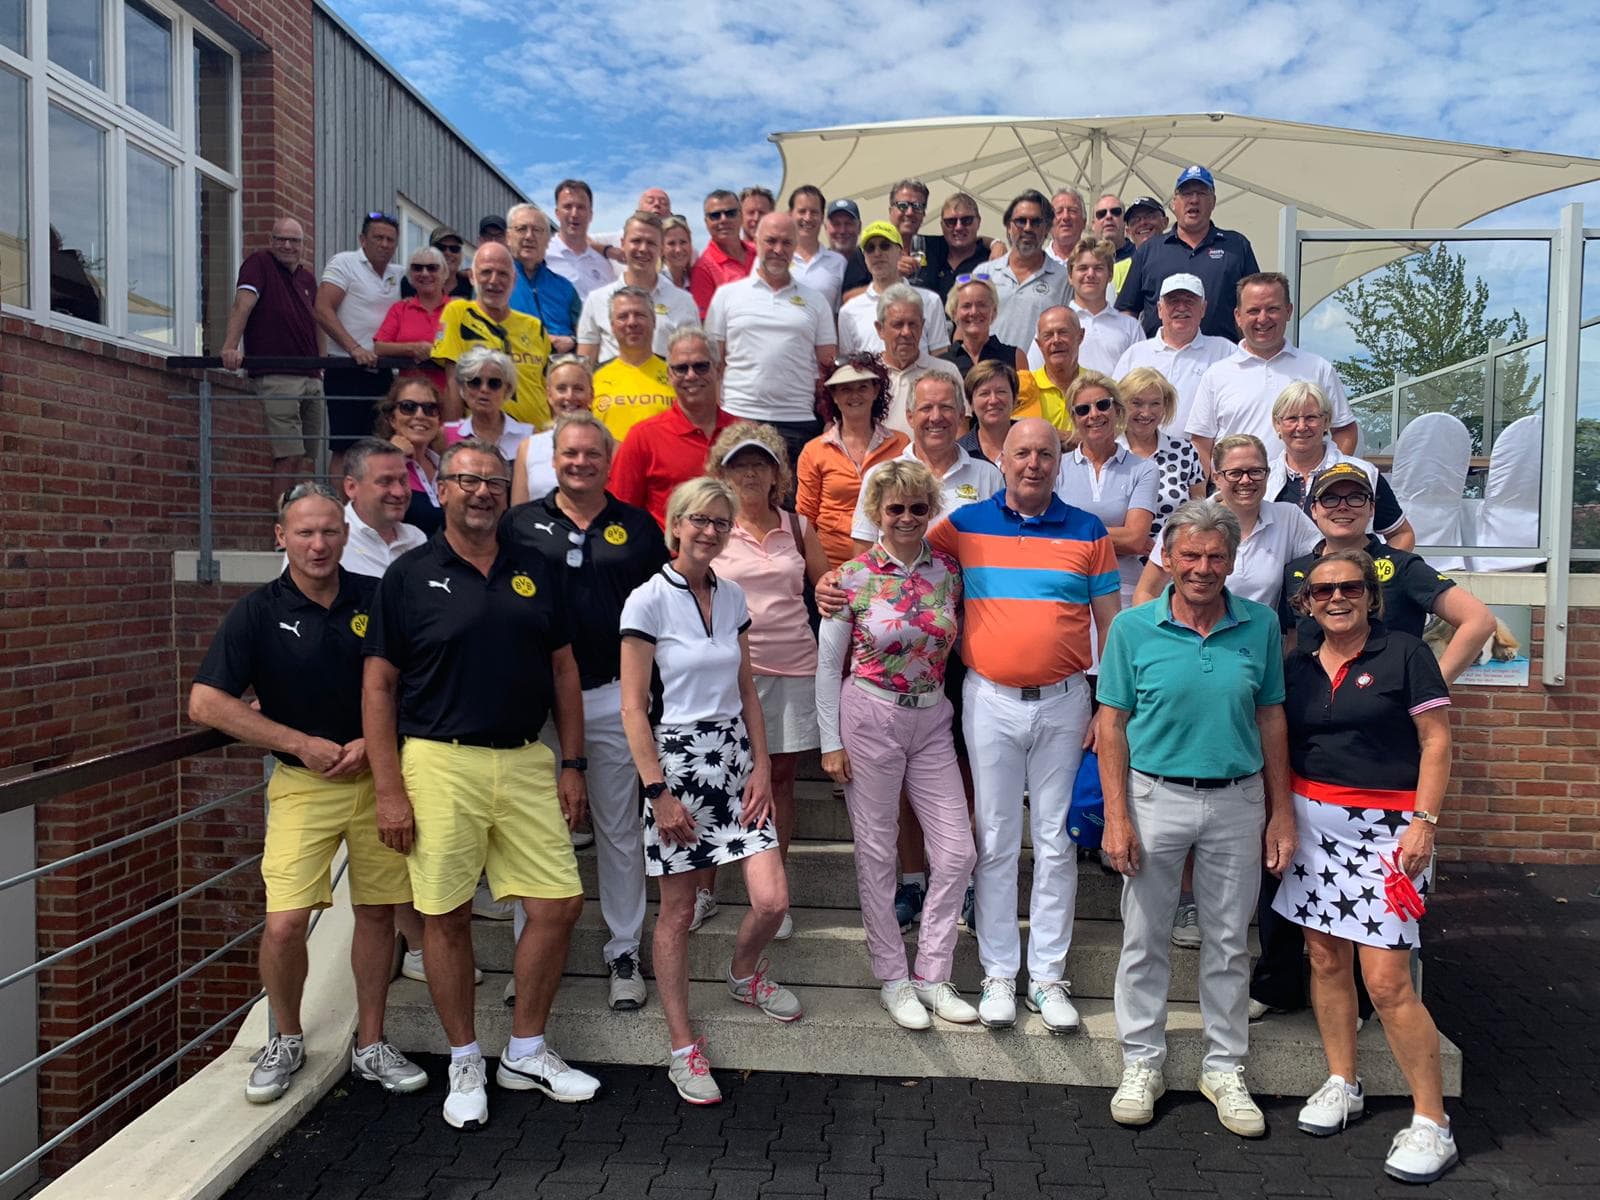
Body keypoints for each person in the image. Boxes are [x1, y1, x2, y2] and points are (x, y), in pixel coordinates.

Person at [364, 439, 598, 1128]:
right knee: (445, 915)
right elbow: (378, 686)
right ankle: (464, 1057)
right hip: (438, 761)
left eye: (494, 481)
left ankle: (524, 1048)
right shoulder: (407, 576)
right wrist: (388, 788)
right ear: (440, 488)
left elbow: (564, 673)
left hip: (526, 759)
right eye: (466, 480)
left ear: (507, 492)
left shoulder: (537, 570)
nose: (481, 492)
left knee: (558, 904)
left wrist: (573, 763)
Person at [189, 482, 427, 1104]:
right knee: (286, 922)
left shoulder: (379, 598)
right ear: (281, 537)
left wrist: (373, 743)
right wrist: (298, 742)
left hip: (380, 779)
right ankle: (286, 1037)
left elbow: (418, 684)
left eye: (329, 531)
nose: (318, 544)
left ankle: (371, 1043)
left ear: (345, 535)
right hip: (302, 785)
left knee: (377, 914)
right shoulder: (257, 611)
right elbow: (206, 703)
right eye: (304, 532)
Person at [1098, 500, 1295, 1138]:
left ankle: (1224, 1066)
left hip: (1238, 800)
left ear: (1233, 561)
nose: (1203, 568)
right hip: (1155, 796)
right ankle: (1141, 1061)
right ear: (1170, 559)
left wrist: (1280, 811)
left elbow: (1271, 717)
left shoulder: (1261, 625)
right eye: (1190, 555)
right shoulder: (1133, 628)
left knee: (1230, 942)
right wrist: (1116, 817)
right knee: (1144, 939)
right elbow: (1112, 726)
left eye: (1215, 556)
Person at [1273, 550, 1459, 1185]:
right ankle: (1341, 1080)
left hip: (1389, 834)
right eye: (1322, 591)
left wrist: (1425, 823)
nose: (1336, 598)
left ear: (1370, 596)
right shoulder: (1295, 663)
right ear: (1306, 603)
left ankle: (1432, 1120)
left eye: (1349, 587)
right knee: (1324, 960)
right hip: (1311, 826)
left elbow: (1436, 742)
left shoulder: (1406, 653)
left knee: (1387, 982)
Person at [930, 420, 1121, 1033]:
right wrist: (838, 582)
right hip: (989, 698)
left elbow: (1112, 627)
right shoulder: (963, 526)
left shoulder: (1089, 531)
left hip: (1067, 701)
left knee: (1057, 840)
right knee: (994, 838)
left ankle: (1047, 978)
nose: (1033, 463)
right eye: (1021, 453)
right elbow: (901, 559)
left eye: (1044, 453)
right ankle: (997, 974)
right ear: (1001, 459)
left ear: (1058, 461)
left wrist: (1106, 709)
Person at [619, 477, 801, 1106]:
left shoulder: (733, 597)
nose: (710, 530)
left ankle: (744, 974)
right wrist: (657, 791)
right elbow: (633, 710)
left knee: (772, 900)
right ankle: (681, 1046)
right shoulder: (645, 601)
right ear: (675, 525)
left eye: (721, 522)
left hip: (733, 756)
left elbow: (748, 690)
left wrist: (760, 766)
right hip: (675, 764)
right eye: (699, 519)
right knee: (675, 913)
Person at [503, 413, 669, 1011]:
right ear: (555, 458)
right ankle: (529, 953)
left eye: (591, 455)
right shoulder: (517, 525)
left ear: (606, 459)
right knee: (535, 834)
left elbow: (662, 613)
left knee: (619, 831)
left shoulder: (638, 526)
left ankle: (623, 948)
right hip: (532, 705)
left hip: (611, 698)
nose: (580, 463)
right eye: (569, 454)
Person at [816, 460, 979, 1030]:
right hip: (870, 716)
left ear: (930, 511)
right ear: (877, 513)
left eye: (917, 508)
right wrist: (829, 741)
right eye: (895, 509)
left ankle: (933, 973)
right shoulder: (850, 578)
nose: (907, 518)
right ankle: (893, 976)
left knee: (958, 851)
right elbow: (826, 664)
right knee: (878, 853)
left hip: (932, 717)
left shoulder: (949, 573)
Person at [705, 423, 829, 937]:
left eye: (760, 464)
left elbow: (827, 588)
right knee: (721, 782)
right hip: (727, 676)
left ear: (777, 472)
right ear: (723, 473)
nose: (750, 473)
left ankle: (771, 896)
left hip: (794, 668)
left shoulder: (798, 526)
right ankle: (705, 892)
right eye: (739, 464)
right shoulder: (712, 526)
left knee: (778, 781)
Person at [1281, 465, 1496, 682]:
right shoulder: (1296, 571)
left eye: (1355, 498)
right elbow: (1294, 642)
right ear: (1314, 510)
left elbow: (1479, 620)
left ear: (1372, 508)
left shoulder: (1402, 566)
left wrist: (1431, 688)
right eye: (1330, 499)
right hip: (1312, 706)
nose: (1343, 507)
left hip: (1386, 707)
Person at [705, 213, 837, 468]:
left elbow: (827, 367)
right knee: (735, 505)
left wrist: (830, 418)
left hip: (797, 421)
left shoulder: (816, 300)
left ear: (796, 245)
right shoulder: (726, 296)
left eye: (787, 243)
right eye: (771, 241)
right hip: (738, 417)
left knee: (791, 506)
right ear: (755, 240)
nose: (778, 249)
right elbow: (713, 363)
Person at [1187, 273, 1359, 464]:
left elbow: (1344, 430)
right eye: (1253, 311)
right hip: (1238, 489)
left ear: (1288, 311)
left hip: (1303, 490)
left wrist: (1329, 476)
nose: (1263, 318)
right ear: (1238, 316)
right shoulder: (1216, 375)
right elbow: (1202, 443)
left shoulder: (1318, 369)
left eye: (1272, 309)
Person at [1136, 434, 1322, 610]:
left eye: (1255, 471)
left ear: (1268, 474)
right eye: (1234, 473)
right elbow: (1147, 591)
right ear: (1216, 478)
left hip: (1257, 636)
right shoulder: (1186, 521)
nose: (1246, 480)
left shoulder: (1288, 517)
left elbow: (1326, 557)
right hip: (1188, 636)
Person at [221, 217, 325, 496]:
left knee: (307, 459)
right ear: (271, 240)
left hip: (311, 376)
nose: (287, 245)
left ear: (303, 245)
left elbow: (318, 322)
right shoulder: (259, 263)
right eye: (281, 239)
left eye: (294, 240)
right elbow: (242, 304)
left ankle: (303, 525)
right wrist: (231, 347)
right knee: (287, 455)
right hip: (278, 377)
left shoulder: (307, 278)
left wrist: (323, 365)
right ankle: (282, 532)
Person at [853, 371, 1003, 549]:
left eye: (946, 407)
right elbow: (862, 553)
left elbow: (1000, 546)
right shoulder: (879, 476)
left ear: (961, 415)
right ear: (910, 417)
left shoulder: (989, 475)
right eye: (926, 408)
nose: (936, 417)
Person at [609, 325, 738, 526]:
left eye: (701, 366)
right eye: (681, 368)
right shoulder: (642, 438)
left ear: (718, 369)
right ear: (669, 375)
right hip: (667, 555)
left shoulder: (743, 432)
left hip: (739, 553)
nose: (691, 375)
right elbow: (619, 511)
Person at [1116, 166, 1260, 341]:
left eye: (1201, 193)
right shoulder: (1149, 250)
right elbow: (1126, 310)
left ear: (1213, 201)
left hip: (1222, 360)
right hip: (1160, 362)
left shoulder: (1236, 246)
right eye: (1186, 194)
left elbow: (1255, 306)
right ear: (1174, 204)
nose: (1193, 200)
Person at [1052, 371, 1158, 603]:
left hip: (1124, 589)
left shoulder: (1144, 469)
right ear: (1073, 417)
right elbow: (1047, 533)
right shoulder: (1056, 467)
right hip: (1068, 587)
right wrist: (1115, 536)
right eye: (1083, 409)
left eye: (1102, 405)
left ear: (1117, 410)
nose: (1094, 415)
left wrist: (1069, 530)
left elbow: (1135, 539)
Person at [1268, 381, 1413, 548]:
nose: (1301, 427)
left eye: (1311, 417)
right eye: (1291, 418)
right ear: (1277, 424)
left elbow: (1402, 534)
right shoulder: (1262, 478)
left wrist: (1373, 572)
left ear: (1327, 421)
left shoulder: (1364, 473)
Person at [796, 357, 909, 568]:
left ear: (876, 391)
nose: (854, 395)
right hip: (830, 564)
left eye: (863, 387)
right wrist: (820, 574)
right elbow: (806, 519)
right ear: (834, 396)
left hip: (890, 562)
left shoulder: (901, 444)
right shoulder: (814, 451)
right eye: (845, 389)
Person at [432, 242, 553, 428]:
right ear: (472, 277)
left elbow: (547, 388)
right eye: (486, 272)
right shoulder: (458, 313)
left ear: (514, 279)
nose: (494, 280)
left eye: (503, 273)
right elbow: (452, 384)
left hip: (535, 438)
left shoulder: (534, 326)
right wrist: (452, 438)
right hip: (485, 440)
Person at [316, 213, 403, 457]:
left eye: (390, 240)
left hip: (384, 373)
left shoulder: (400, 274)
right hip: (346, 369)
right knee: (345, 449)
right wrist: (354, 349)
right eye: (378, 237)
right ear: (362, 239)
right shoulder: (344, 263)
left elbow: (433, 281)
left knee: (380, 448)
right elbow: (322, 309)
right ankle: (344, 498)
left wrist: (462, 275)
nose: (384, 244)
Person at [1112, 274, 1233, 436]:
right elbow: (1116, 407)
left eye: (1189, 301)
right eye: (1173, 301)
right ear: (1160, 309)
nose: (1181, 308)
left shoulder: (1225, 351)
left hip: (1203, 457)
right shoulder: (1135, 354)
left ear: (1203, 308)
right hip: (1139, 457)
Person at [578, 212, 698, 362]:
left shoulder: (684, 302)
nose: (643, 249)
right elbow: (585, 366)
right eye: (636, 241)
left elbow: (692, 362)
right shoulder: (596, 300)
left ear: (661, 249)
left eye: (651, 243)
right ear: (622, 244)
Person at [1118, 366, 1207, 549]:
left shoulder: (1185, 450)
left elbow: (1199, 512)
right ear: (1122, 405)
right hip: (1117, 561)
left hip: (1173, 562)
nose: (1146, 412)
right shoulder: (1109, 451)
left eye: (1155, 404)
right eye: (1137, 403)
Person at [836, 221, 949, 356]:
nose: (877, 253)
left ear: (900, 253)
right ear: (864, 258)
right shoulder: (848, 312)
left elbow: (940, 356)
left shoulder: (930, 301)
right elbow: (849, 367)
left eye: (885, 246)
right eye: (870, 248)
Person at [980, 191, 1072, 351]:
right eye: (1021, 221)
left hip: (1038, 373)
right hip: (990, 372)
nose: (1028, 228)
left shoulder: (1064, 279)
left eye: (1036, 222)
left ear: (1047, 228)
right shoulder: (985, 272)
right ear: (1009, 226)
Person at [875, 283, 964, 440]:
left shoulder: (946, 372)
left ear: (922, 326)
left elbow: (960, 430)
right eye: (898, 324)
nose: (906, 332)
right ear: (880, 329)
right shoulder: (868, 375)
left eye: (913, 324)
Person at [1041, 237, 1143, 374]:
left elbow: (1140, 379)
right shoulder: (1051, 324)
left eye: (1098, 268)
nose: (1090, 274)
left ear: (1110, 275)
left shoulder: (1131, 327)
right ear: (1070, 277)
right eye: (1082, 268)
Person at [586, 287, 676, 441]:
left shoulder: (678, 374)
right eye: (623, 316)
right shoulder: (592, 377)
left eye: (639, 315)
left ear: (654, 321)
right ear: (612, 326)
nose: (632, 322)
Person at [341, 436, 428, 578]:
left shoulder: (417, 539)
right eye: (385, 482)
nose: (399, 492)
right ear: (351, 487)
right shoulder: (328, 540)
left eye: (403, 481)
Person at [514, 355, 596, 505]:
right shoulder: (528, 447)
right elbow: (518, 514)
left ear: (591, 395)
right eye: (561, 389)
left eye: (578, 389)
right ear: (549, 395)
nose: (569, 396)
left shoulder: (611, 447)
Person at [373, 245, 450, 395]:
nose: (425, 273)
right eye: (417, 268)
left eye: (432, 268)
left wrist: (434, 351)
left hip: (450, 397)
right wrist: (413, 348)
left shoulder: (458, 309)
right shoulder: (400, 309)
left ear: (444, 273)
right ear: (410, 276)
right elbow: (380, 347)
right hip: (410, 399)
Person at [840, 180, 935, 299]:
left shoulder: (936, 247)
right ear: (890, 211)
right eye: (903, 205)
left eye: (917, 206)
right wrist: (892, 276)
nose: (910, 212)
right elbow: (848, 298)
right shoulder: (868, 251)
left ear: (924, 213)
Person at [506, 203, 581, 354]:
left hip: (560, 370)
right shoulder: (494, 283)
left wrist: (572, 340)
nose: (529, 236)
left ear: (548, 240)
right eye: (521, 229)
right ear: (508, 237)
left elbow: (587, 335)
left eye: (537, 230)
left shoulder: (565, 287)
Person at [374, 376, 444, 536]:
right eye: (408, 407)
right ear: (392, 419)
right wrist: (391, 455)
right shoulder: (376, 463)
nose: (420, 415)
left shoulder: (445, 466)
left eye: (430, 408)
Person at [443, 346, 532, 462]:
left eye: (494, 383)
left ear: (507, 389)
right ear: (463, 388)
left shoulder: (529, 436)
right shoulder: (445, 435)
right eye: (475, 382)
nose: (484, 389)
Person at [918, 193, 1000, 303]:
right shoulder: (926, 247)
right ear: (942, 225)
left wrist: (996, 243)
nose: (958, 227)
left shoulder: (991, 260)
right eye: (950, 222)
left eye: (966, 220)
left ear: (978, 222)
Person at [942, 275, 1026, 379]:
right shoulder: (942, 363)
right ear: (954, 313)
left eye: (981, 305)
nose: (974, 312)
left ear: (994, 311)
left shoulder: (1015, 356)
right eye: (966, 306)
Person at [1013, 306, 1082, 430]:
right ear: (1039, 344)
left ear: (1080, 336)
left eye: (1063, 332)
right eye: (1048, 335)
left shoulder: (1098, 386)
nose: (1056, 340)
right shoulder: (1023, 388)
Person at [546, 180, 615, 300]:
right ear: (557, 213)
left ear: (591, 214)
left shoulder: (605, 267)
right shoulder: (543, 257)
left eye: (581, 207)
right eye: (568, 207)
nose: (574, 214)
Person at [690, 190, 753, 317]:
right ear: (706, 222)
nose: (723, 220)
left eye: (730, 213)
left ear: (741, 216)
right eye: (715, 215)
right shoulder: (703, 269)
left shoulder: (760, 253)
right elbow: (705, 324)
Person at [786, 186, 847, 311]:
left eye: (814, 212)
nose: (807, 218)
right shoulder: (777, 258)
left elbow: (840, 316)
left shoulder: (839, 263)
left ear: (821, 217)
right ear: (790, 214)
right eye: (802, 211)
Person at [958, 360, 1019, 467]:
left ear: (1014, 398)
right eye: (984, 393)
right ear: (971, 403)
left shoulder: (1034, 442)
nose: (993, 400)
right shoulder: (958, 453)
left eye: (1001, 392)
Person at [402, 225, 474, 301]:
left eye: (454, 249)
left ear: (461, 254)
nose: (448, 253)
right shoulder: (412, 281)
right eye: (441, 248)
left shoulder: (470, 283)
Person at [1091, 193, 1136, 294]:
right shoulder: (1083, 258)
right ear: (1093, 225)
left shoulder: (1139, 256)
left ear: (1125, 221)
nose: (1108, 216)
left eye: (1115, 212)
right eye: (1101, 214)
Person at [1045, 189, 1088, 267]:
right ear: (1049, 223)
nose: (1065, 217)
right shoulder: (1035, 265)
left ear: (1084, 222)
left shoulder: (1096, 265)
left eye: (1072, 211)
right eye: (1058, 211)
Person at [661, 214, 696, 292]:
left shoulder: (696, 282)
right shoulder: (655, 282)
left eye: (683, 242)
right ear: (661, 248)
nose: (678, 249)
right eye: (671, 243)